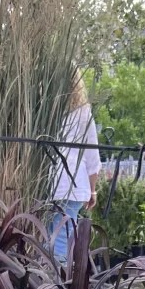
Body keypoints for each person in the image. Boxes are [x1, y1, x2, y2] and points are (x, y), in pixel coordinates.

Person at [50, 73, 100, 264]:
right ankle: (57, 284)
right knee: (61, 239)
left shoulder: (44, 108)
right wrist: (93, 189)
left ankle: (46, 283)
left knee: (47, 238)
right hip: (73, 184)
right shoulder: (82, 112)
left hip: (47, 181)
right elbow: (92, 154)